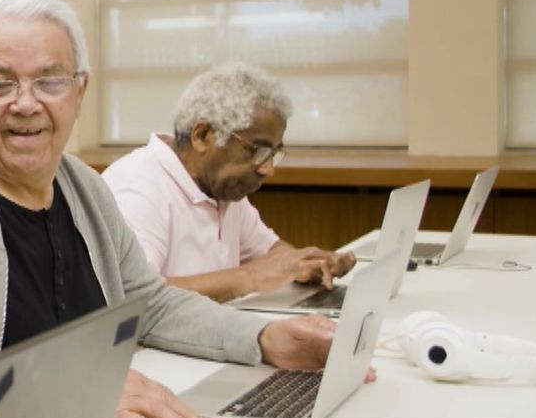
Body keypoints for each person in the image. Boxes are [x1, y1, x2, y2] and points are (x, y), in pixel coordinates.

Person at [0, 0, 346, 418]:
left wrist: (261, 339)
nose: (26, 104)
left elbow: (151, 304)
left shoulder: (84, 188)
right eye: (0, 84)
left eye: (50, 81)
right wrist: (74, 398)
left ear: (79, 92)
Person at [101, 63, 355, 303]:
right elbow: (136, 298)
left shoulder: (221, 188)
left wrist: (308, 264)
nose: (268, 169)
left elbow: (272, 254)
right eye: (257, 151)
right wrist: (249, 278)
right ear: (202, 136)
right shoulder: (138, 188)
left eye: (273, 154)